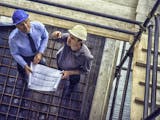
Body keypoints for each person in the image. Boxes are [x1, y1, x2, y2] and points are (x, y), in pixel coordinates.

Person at [51, 25, 93, 97]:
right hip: (60, 64)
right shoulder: (68, 38)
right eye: (70, 35)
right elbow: (55, 38)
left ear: (80, 41)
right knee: (60, 75)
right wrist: (55, 34)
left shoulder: (86, 56)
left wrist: (69, 72)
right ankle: (61, 80)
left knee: (74, 81)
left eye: (73, 38)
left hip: (73, 73)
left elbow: (85, 71)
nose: (68, 39)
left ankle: (71, 88)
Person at [9, 9, 49, 81]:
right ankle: (24, 79)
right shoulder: (13, 39)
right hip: (24, 57)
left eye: (26, 21)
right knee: (23, 71)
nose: (26, 27)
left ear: (29, 19)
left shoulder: (38, 26)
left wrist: (40, 52)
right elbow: (15, 53)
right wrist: (24, 65)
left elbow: (45, 37)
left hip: (37, 52)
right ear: (16, 26)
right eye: (21, 24)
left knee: (43, 65)